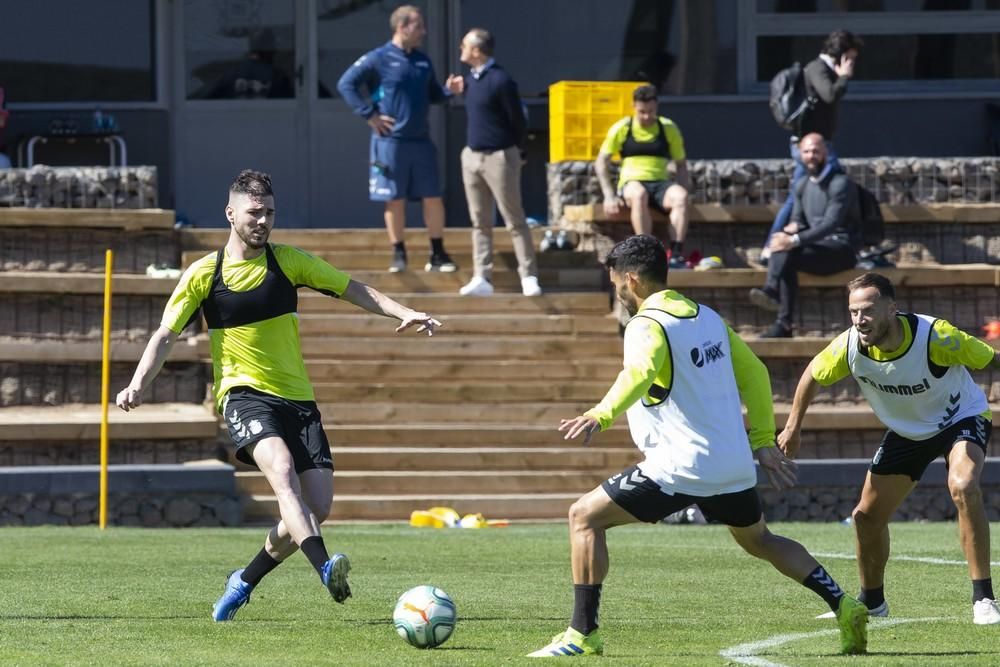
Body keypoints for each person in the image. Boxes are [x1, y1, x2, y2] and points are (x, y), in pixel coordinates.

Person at [115, 169, 442, 621]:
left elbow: (354, 289)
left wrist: (405, 312)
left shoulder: (288, 262)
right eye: (254, 212)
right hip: (243, 394)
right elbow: (165, 335)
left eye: (269, 212)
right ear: (230, 214)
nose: (263, 220)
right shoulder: (204, 274)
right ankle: (325, 566)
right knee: (282, 472)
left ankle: (244, 580)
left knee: (315, 508)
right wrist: (137, 384)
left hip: (298, 400)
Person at [527, 234, 868, 657]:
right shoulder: (708, 317)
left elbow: (640, 371)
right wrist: (762, 441)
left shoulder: (645, 325)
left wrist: (601, 413)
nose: (617, 293)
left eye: (616, 284)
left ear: (631, 280)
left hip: (680, 467)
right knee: (760, 539)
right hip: (732, 464)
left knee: (583, 518)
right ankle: (844, 603)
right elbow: (757, 375)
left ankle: (582, 633)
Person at [778, 272, 1000, 626]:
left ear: (892, 309)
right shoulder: (849, 346)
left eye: (867, 311)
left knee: (962, 486)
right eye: (852, 312)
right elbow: (812, 376)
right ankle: (873, 602)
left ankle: (984, 598)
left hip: (959, 416)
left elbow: (990, 360)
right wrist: (792, 426)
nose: (859, 320)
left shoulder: (936, 336)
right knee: (865, 517)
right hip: (908, 431)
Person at [337, 4, 460, 274]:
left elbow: (433, 95)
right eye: (419, 26)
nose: (424, 31)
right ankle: (399, 253)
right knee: (394, 199)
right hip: (390, 143)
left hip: (421, 141)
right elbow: (346, 83)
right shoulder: (378, 58)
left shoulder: (422, 61)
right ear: (402, 27)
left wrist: (448, 91)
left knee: (433, 197)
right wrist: (370, 114)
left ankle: (438, 254)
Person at [446, 28, 541, 298]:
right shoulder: (471, 80)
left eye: (464, 45)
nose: (460, 49)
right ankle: (482, 276)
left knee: (514, 218)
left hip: (500, 156)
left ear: (477, 50)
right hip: (472, 156)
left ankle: (529, 275)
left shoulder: (501, 80)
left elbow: (517, 121)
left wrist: (517, 151)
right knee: (480, 221)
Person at [762, 29, 861, 263]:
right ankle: (770, 246)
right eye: (851, 58)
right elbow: (829, 95)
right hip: (811, 147)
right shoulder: (818, 68)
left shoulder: (824, 70)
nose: (853, 64)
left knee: (797, 196)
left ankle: (772, 246)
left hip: (817, 143)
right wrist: (844, 76)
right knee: (809, 192)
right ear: (842, 55)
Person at [749, 133, 860, 338]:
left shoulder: (840, 183)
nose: (811, 156)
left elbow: (830, 224)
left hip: (841, 249)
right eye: (807, 151)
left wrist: (793, 240)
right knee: (783, 249)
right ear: (800, 154)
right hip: (814, 247)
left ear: (825, 152)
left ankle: (774, 295)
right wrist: (785, 234)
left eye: (816, 151)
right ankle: (783, 323)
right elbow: (798, 220)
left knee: (787, 250)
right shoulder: (801, 185)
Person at [595, 85, 690, 269]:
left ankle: (677, 253)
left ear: (657, 106)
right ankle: (645, 251)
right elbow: (601, 162)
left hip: (660, 183)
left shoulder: (668, 128)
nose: (646, 116)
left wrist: (684, 187)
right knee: (639, 195)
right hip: (632, 182)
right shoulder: (623, 128)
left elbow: (681, 165)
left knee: (681, 197)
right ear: (633, 107)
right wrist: (609, 195)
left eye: (651, 111)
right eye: (642, 112)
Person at [198, 28, 294, 100]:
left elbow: (205, 98)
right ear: (270, 49)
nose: (276, 50)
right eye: (273, 46)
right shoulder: (278, 77)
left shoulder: (232, 74)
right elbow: (291, 104)